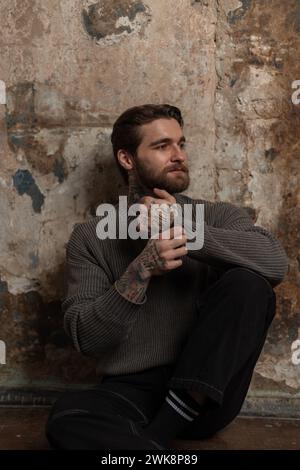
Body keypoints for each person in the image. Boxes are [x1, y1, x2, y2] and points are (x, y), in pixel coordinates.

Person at [45, 104, 288, 450]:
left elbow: (275, 264)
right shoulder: (92, 236)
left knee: (250, 284)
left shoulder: (215, 216)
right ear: (127, 159)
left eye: (181, 144)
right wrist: (140, 270)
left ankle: (158, 435)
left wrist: (188, 231)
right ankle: (154, 451)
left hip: (205, 396)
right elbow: (87, 338)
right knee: (66, 419)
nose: (178, 155)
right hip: (130, 391)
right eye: (162, 146)